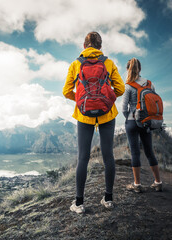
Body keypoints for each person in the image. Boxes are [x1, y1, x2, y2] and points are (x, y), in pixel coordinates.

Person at [63, 32, 125, 214]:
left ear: (84, 45)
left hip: (84, 116)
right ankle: (108, 199)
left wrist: (82, 101)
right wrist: (105, 99)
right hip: (107, 114)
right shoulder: (108, 63)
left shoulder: (76, 64)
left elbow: (66, 91)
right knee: (108, 156)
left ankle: (79, 203)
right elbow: (120, 88)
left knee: (83, 157)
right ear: (100, 46)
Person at [122, 58, 162, 193]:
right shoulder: (150, 84)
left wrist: (129, 117)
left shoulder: (128, 85)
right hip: (147, 121)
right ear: (140, 69)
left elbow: (123, 108)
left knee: (135, 153)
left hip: (132, 121)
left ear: (128, 69)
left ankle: (137, 185)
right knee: (149, 151)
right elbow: (154, 103)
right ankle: (158, 182)